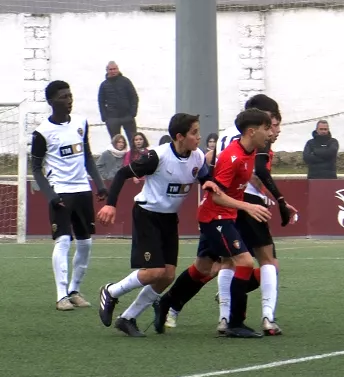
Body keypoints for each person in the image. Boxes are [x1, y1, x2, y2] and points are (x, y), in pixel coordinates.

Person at [152, 107, 276, 338]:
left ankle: (166, 302)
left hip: (227, 216)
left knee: (202, 268)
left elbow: (244, 179)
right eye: (266, 128)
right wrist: (248, 206)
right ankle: (235, 323)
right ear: (251, 131)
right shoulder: (232, 156)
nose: (270, 133)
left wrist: (271, 198)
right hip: (216, 218)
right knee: (245, 262)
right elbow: (216, 195)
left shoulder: (250, 151)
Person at [95, 113, 205, 336]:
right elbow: (122, 174)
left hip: (169, 218)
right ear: (179, 136)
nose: (199, 137)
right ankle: (111, 291)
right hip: (147, 215)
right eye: (194, 133)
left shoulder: (198, 157)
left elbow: (207, 179)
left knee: (168, 275)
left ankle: (128, 318)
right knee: (155, 272)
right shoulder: (157, 156)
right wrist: (111, 205)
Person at [212, 94, 299, 337]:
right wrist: (279, 200)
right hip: (248, 201)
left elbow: (213, 163)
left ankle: (224, 318)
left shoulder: (226, 134)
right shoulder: (257, 135)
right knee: (268, 261)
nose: (272, 129)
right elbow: (258, 171)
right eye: (271, 121)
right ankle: (268, 318)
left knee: (228, 262)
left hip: (227, 202)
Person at [31, 81, 107, 310]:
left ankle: (74, 290)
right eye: (63, 97)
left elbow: (88, 157)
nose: (69, 100)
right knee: (63, 240)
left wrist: (100, 184)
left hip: (82, 190)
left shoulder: (81, 123)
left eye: (70, 95)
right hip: (61, 192)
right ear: (51, 101)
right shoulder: (42, 132)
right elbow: (36, 169)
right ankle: (61, 295)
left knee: (85, 243)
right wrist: (50, 195)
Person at [97, 61, 139, 142]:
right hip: (112, 118)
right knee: (116, 143)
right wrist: (105, 117)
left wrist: (133, 113)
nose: (113, 71)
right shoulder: (104, 85)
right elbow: (101, 102)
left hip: (127, 116)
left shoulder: (126, 81)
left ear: (118, 69)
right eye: (110, 69)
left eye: (114, 69)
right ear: (107, 70)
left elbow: (134, 97)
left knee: (133, 140)